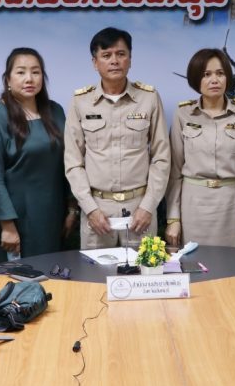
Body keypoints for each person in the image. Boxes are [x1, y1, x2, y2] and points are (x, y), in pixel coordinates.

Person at [64, 27, 170, 249]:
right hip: (97, 211)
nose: (114, 61)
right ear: (95, 63)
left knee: (143, 270)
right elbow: (73, 163)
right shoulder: (80, 102)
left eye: (121, 54)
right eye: (106, 55)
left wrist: (148, 206)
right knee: (96, 271)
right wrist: (90, 209)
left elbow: (161, 157)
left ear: (130, 59)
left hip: (140, 210)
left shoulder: (149, 98)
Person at [0, 47, 76, 260]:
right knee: (19, 278)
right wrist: (7, 225)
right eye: (21, 72)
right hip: (15, 223)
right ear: (8, 80)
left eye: (36, 72)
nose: (29, 78)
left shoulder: (55, 112)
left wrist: (72, 209)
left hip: (53, 217)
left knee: (53, 275)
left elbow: (69, 162)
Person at [164, 48, 235, 248]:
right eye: (206, 74)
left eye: (220, 73)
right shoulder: (183, 113)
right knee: (193, 263)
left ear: (228, 77)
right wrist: (173, 218)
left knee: (233, 264)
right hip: (193, 205)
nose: (214, 80)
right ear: (195, 79)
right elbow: (174, 171)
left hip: (232, 205)